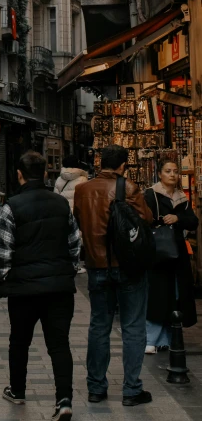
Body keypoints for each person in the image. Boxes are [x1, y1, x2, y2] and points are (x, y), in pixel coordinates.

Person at [0, 151, 80, 420]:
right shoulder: (60, 204)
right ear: (45, 174)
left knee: (19, 341)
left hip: (24, 289)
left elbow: (3, 250)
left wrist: (3, 279)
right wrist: (68, 271)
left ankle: (17, 391)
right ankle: (64, 399)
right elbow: (75, 243)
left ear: (18, 175)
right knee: (59, 343)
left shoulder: (12, 205)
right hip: (58, 287)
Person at [74, 144, 154, 407]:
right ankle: (132, 389)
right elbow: (147, 219)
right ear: (123, 166)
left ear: (100, 162)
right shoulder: (128, 188)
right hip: (127, 266)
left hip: (96, 267)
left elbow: (79, 221)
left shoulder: (82, 190)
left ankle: (96, 387)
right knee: (132, 327)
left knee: (99, 326)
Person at [144, 159, 198, 353]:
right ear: (160, 174)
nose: (173, 175)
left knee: (175, 294)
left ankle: (166, 338)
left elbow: (193, 221)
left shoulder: (181, 198)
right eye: (168, 171)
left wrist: (178, 218)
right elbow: (142, 218)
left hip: (177, 254)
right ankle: (150, 338)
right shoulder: (151, 195)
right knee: (157, 294)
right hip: (158, 252)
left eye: (175, 171)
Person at [55, 157, 89, 275]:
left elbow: (56, 197)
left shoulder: (59, 179)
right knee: (77, 237)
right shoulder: (83, 179)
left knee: (65, 237)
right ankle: (76, 264)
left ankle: (65, 262)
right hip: (77, 212)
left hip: (63, 211)